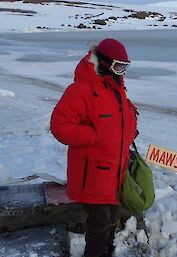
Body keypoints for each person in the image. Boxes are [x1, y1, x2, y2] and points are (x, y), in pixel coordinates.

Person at [50, 38, 138, 257]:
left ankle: (107, 252)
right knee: (100, 225)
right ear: (105, 63)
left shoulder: (116, 89)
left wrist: (127, 133)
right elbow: (60, 126)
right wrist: (94, 135)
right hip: (93, 175)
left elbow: (116, 121)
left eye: (125, 67)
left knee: (109, 222)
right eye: (119, 66)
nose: (122, 72)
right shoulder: (81, 90)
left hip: (115, 171)